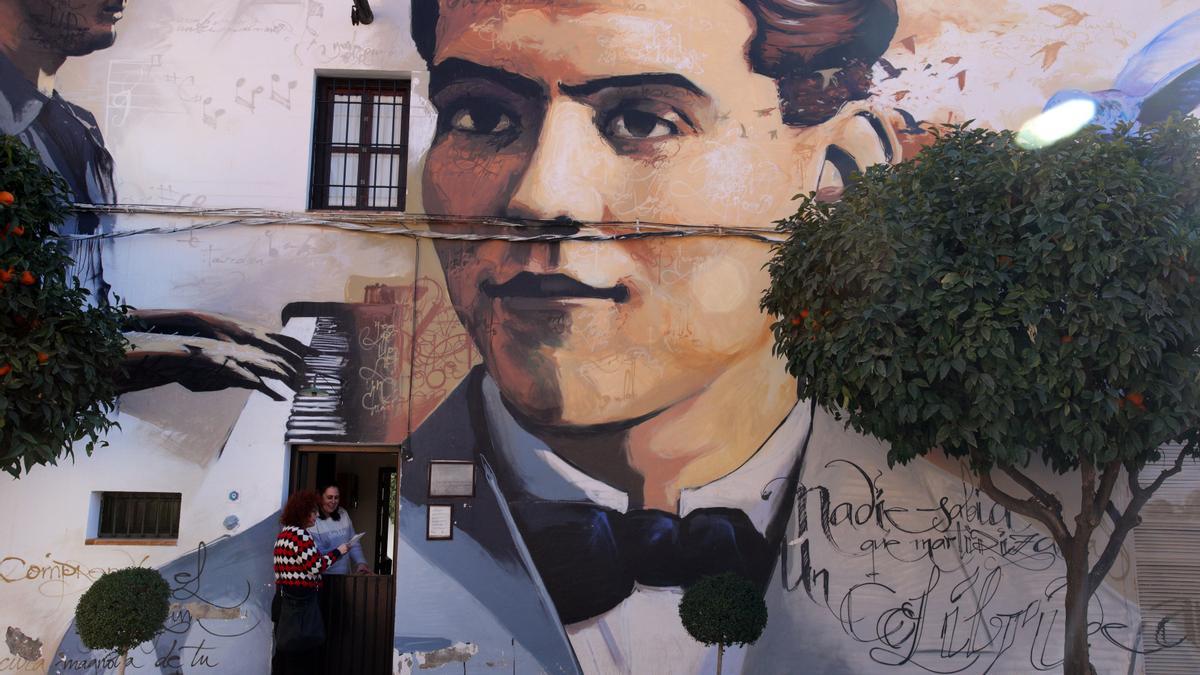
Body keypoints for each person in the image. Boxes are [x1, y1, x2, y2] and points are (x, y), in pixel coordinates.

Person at [273, 489, 349, 675]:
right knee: (304, 654)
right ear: (302, 512)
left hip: (283, 601)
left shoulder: (283, 535)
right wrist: (338, 551)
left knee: (285, 652)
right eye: (313, 512)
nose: (316, 516)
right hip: (301, 604)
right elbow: (315, 566)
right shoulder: (300, 535)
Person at [309, 484, 371, 575]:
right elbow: (314, 555)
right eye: (329, 497)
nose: (333, 501)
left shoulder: (343, 513)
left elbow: (353, 542)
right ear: (320, 498)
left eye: (336, 497)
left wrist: (361, 562)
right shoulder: (313, 520)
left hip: (344, 575)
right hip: (324, 577)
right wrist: (339, 551)